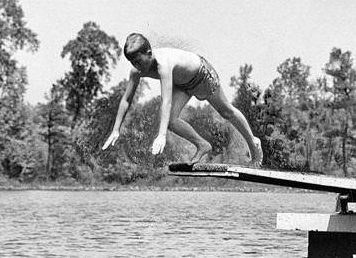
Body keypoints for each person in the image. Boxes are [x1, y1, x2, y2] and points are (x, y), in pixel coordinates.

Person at [102, 33, 263, 167]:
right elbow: (126, 99)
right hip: (182, 84)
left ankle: (253, 142)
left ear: (149, 53)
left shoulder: (163, 64)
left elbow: (166, 101)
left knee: (226, 111)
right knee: (171, 121)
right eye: (132, 62)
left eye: (138, 61)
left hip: (202, 74)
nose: (136, 66)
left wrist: (162, 135)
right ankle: (202, 144)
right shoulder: (136, 71)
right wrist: (116, 129)